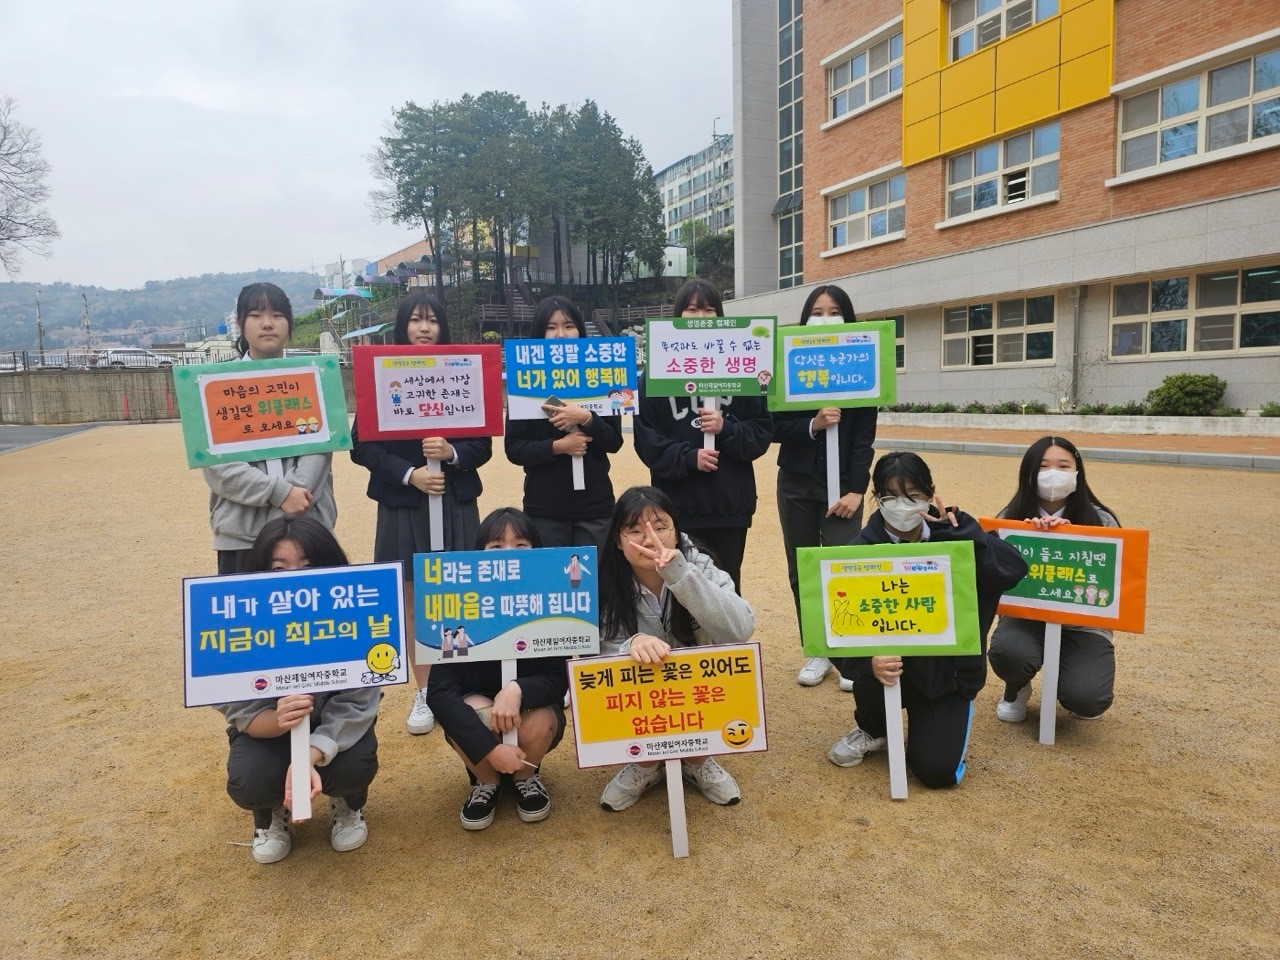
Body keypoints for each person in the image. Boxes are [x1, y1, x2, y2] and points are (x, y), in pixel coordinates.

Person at [828, 453, 1027, 788]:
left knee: (936, 772)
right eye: (891, 497)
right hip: (889, 674)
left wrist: (964, 535)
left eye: (913, 495)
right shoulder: (859, 552)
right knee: (871, 669)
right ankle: (873, 728)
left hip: (944, 678)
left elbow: (1012, 571)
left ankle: (945, 722)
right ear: (876, 498)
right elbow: (835, 627)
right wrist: (866, 663)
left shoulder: (956, 533)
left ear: (931, 493)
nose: (902, 505)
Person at [349, 293, 492, 736]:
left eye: (432, 320)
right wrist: (410, 474)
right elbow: (362, 445)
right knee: (413, 601)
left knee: (461, 594)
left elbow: (483, 444)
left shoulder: (464, 372)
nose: (424, 328)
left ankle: (463, 686)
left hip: (455, 500)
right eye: (415, 320)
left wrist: (451, 453)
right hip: (403, 503)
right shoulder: (381, 374)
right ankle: (426, 691)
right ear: (402, 326)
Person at [213, 516, 380, 864]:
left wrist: (309, 755)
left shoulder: (356, 616)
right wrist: (277, 719)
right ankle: (270, 815)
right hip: (268, 733)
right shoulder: (238, 621)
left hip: (332, 733)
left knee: (354, 767)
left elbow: (359, 702)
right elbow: (237, 706)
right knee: (250, 780)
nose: (293, 579)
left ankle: (348, 804)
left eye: (308, 566)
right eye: (278, 568)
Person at [596, 486, 757, 811]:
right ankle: (644, 765)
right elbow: (593, 657)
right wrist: (631, 644)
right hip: (640, 695)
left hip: (696, 691)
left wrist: (681, 576)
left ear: (676, 530)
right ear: (617, 540)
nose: (650, 539)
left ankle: (698, 761)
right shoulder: (604, 580)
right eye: (635, 530)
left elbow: (740, 629)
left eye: (660, 527)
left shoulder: (700, 564)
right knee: (635, 735)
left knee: (700, 731)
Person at [425, 508, 569, 830]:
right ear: (479, 555)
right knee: (469, 709)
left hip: (530, 713)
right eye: (496, 547)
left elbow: (559, 679)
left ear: (537, 552)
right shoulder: (456, 605)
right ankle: (485, 781)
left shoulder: (550, 600)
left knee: (540, 719)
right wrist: (489, 749)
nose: (508, 555)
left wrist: (517, 690)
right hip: (480, 717)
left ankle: (525, 777)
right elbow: (439, 693)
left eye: (521, 546)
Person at [633, 279, 773, 593]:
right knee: (678, 592)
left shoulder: (744, 367)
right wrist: (688, 457)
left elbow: (761, 432)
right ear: (678, 315)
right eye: (692, 309)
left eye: (709, 310)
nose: (701, 317)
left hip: (728, 506)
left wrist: (727, 428)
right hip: (676, 508)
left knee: (726, 592)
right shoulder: (656, 372)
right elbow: (646, 441)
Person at [773, 285, 877, 689]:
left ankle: (849, 651)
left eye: (834, 311)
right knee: (803, 569)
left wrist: (856, 490)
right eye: (817, 311)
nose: (825, 318)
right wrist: (813, 424)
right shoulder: (788, 366)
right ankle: (817, 649)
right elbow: (775, 427)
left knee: (844, 567)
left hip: (844, 488)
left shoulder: (862, 365)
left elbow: (864, 437)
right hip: (796, 482)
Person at [203, 283, 335, 574]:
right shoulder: (214, 386)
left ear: (289, 323)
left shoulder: (314, 378)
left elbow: (320, 448)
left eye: (277, 315)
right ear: (240, 323)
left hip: (309, 527)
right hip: (242, 535)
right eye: (255, 315)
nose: (267, 323)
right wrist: (279, 494)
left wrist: (296, 496)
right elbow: (218, 464)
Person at [988, 436, 1121, 723]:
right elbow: (992, 578)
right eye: (1043, 466)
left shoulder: (1101, 520)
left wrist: (1074, 539)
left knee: (1088, 699)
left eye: (1063, 466)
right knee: (1009, 653)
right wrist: (1027, 538)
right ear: (1028, 472)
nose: (1053, 474)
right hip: (1025, 617)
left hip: (1084, 625)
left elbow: (1114, 581)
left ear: (1077, 471)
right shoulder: (1009, 519)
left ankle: (1075, 682)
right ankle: (1016, 687)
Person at [504, 296, 624, 549]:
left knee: (596, 573)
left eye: (569, 326)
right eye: (551, 327)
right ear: (540, 332)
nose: (561, 334)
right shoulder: (524, 379)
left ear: (580, 330)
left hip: (595, 506)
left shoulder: (602, 375)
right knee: (551, 574)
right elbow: (514, 448)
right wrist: (558, 447)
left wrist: (586, 418)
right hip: (545, 508)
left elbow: (614, 441)